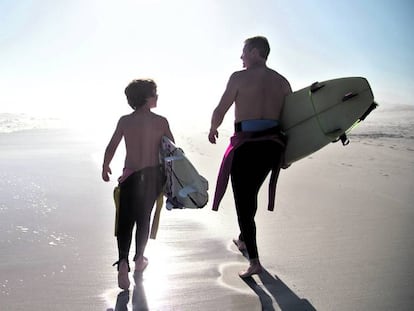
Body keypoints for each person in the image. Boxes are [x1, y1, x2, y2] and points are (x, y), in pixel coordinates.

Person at [208, 36, 292, 278]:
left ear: (255, 52)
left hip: (247, 145)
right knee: (251, 193)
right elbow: (292, 120)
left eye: (244, 52)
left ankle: (254, 260)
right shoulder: (282, 82)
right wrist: (287, 154)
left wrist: (213, 127)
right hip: (273, 146)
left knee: (243, 202)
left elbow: (221, 108)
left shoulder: (239, 77)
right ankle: (244, 239)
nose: (241, 57)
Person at [102, 79, 174, 289]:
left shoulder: (125, 121)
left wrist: (105, 165)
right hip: (152, 177)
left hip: (130, 175)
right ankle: (139, 259)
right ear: (145, 98)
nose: (157, 96)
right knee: (144, 219)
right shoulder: (161, 121)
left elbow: (112, 145)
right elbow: (172, 150)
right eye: (154, 93)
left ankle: (123, 263)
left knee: (125, 220)